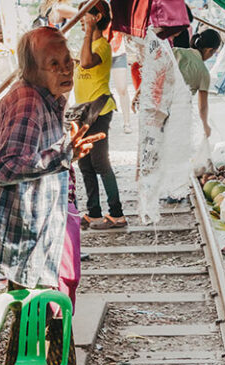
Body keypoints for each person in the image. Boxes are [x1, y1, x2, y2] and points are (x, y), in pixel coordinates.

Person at [0, 26, 104, 365]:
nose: (66, 69)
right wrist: (64, 152)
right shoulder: (29, 102)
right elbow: (8, 166)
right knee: (38, 311)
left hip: (39, 223)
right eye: (55, 64)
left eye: (67, 62)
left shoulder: (47, 98)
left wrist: (66, 150)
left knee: (45, 307)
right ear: (33, 69)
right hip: (25, 231)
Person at [134, 27, 221, 222]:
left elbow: (154, 71)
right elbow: (203, 106)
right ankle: (173, 191)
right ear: (210, 51)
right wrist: (205, 125)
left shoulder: (177, 52)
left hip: (157, 106)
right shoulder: (204, 72)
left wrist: (139, 93)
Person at [75, 0, 127, 229]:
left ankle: (117, 213)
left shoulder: (102, 46)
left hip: (99, 112)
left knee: (100, 163)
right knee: (85, 164)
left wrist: (87, 33)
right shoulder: (91, 44)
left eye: (85, 15)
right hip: (84, 112)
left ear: (96, 18)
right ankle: (93, 212)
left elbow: (86, 63)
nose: (81, 19)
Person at [108, 31, 133, 134]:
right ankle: (102, 121)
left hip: (119, 53)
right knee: (101, 89)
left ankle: (127, 122)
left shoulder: (119, 15)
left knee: (122, 88)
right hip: (101, 52)